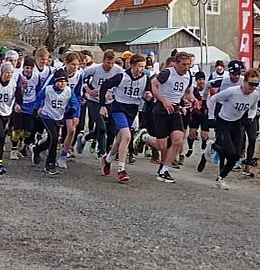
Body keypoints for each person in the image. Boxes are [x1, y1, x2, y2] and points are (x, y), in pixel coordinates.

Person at [203, 68, 260, 189]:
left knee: (236, 156)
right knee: (229, 152)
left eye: (256, 84)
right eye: (251, 84)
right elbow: (213, 99)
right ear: (244, 82)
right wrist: (210, 116)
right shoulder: (232, 91)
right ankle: (212, 146)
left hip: (237, 123)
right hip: (223, 121)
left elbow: (253, 108)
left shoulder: (256, 94)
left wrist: (250, 118)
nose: (253, 87)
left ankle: (220, 179)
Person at [141, 51, 195, 183]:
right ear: (176, 64)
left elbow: (187, 91)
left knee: (178, 140)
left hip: (175, 109)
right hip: (161, 109)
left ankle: (164, 170)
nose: (186, 67)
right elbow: (153, 84)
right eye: (183, 64)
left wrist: (191, 98)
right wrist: (163, 100)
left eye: (188, 64)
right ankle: (146, 138)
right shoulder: (167, 73)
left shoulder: (188, 75)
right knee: (162, 145)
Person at [99, 54, 151, 183]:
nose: (142, 69)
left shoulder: (145, 78)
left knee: (120, 140)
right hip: (118, 109)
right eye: (139, 66)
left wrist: (149, 96)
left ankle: (108, 160)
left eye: (143, 67)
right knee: (127, 136)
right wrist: (103, 105)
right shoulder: (122, 76)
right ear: (132, 65)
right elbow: (104, 85)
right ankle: (121, 170)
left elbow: (148, 93)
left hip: (132, 111)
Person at [29, 69, 80, 175]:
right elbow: (38, 98)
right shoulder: (48, 90)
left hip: (58, 117)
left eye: (64, 81)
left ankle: (37, 149)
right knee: (55, 138)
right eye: (59, 81)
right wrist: (36, 109)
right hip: (47, 115)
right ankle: (50, 164)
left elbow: (75, 104)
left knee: (50, 141)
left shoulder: (68, 91)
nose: (62, 83)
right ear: (55, 81)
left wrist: (75, 115)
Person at [79, 50, 123, 157]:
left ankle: (85, 138)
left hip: (109, 101)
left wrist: (114, 94)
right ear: (103, 61)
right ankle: (102, 152)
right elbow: (81, 77)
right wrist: (89, 90)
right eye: (108, 63)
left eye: (112, 63)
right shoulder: (94, 69)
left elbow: (123, 82)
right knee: (102, 127)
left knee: (109, 130)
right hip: (94, 101)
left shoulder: (118, 70)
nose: (110, 66)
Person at [185, 71, 209, 158]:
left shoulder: (208, 90)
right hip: (195, 114)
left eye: (203, 79)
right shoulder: (193, 90)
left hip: (205, 114)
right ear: (196, 80)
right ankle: (190, 148)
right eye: (199, 79)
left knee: (204, 135)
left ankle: (204, 143)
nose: (201, 81)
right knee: (192, 133)